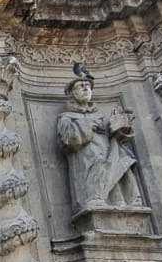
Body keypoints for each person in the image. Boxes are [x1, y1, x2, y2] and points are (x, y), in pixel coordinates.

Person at [56, 66, 142, 211]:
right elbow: (67, 140)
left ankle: (124, 200)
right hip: (87, 157)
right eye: (81, 86)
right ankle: (95, 199)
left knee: (121, 161)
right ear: (72, 93)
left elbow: (118, 134)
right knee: (98, 164)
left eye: (88, 86)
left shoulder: (100, 116)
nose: (85, 89)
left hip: (109, 152)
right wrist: (87, 126)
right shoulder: (66, 118)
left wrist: (121, 125)